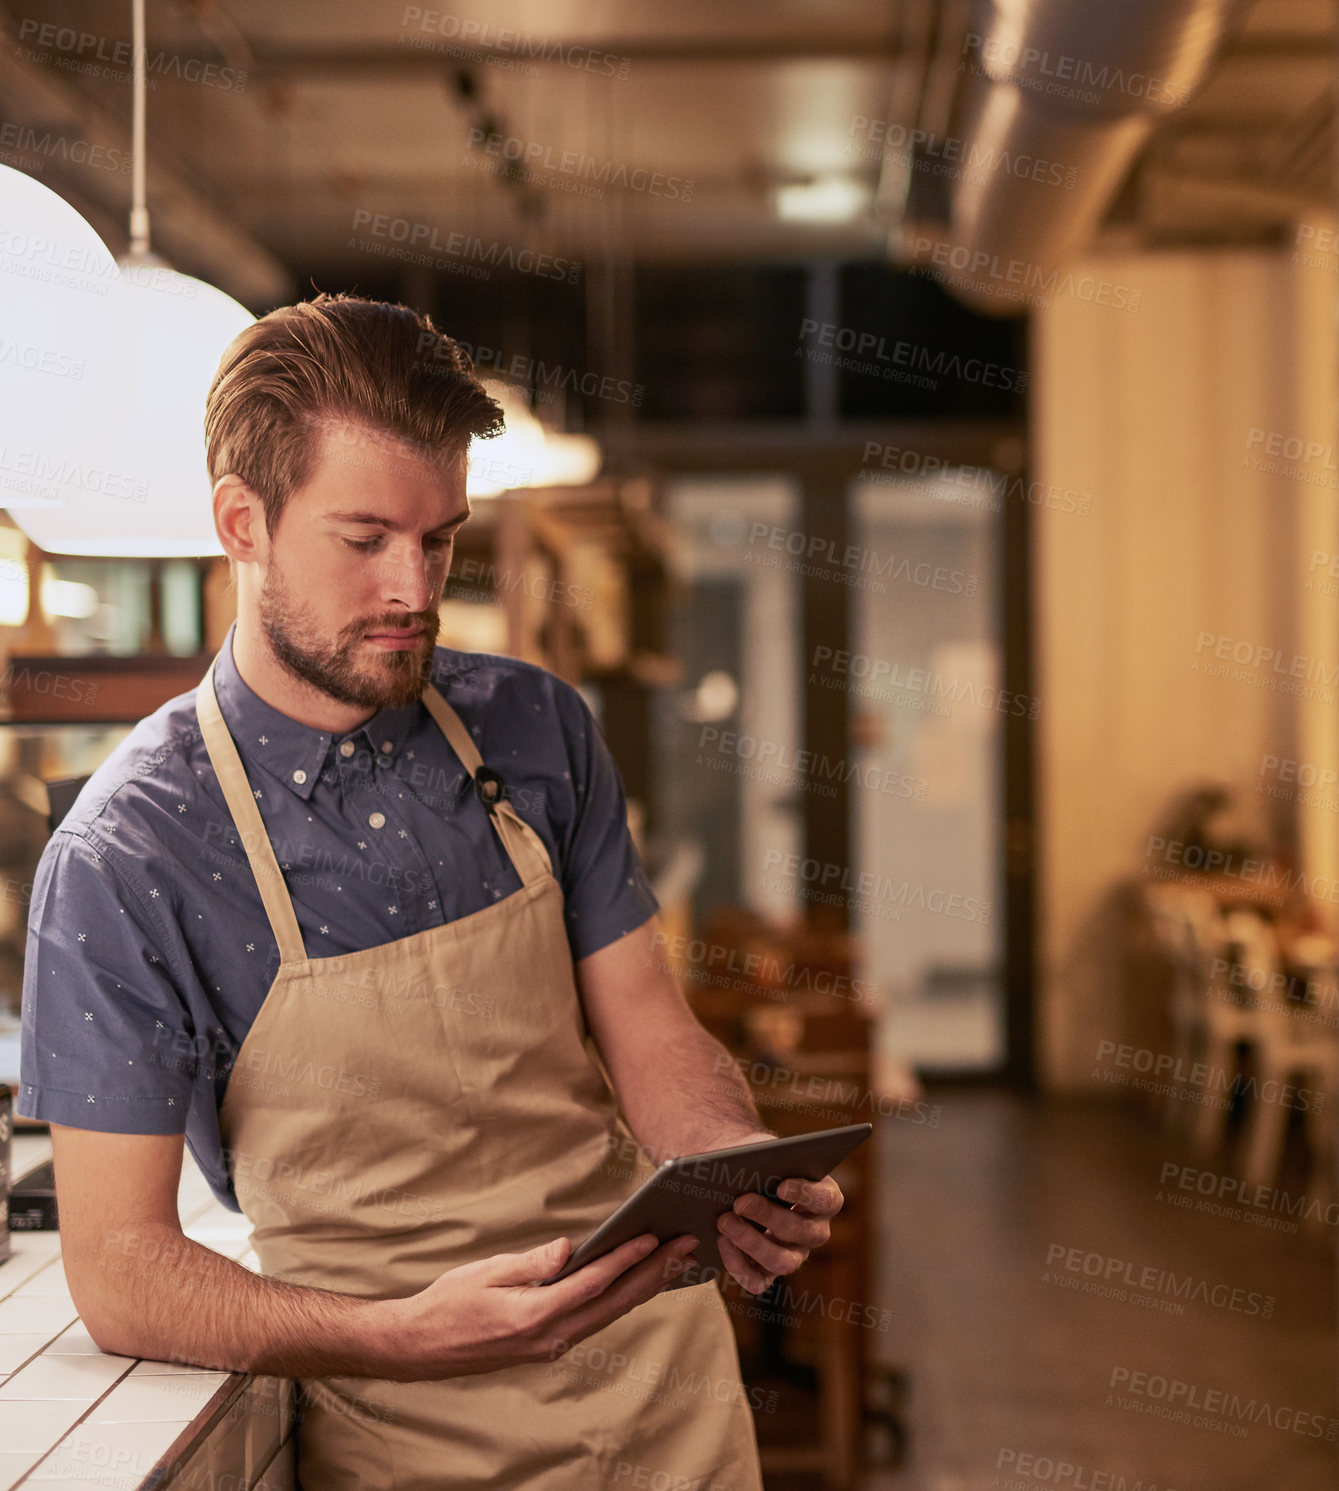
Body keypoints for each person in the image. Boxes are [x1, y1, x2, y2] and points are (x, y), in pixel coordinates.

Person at [18, 293, 845, 1488]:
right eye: (364, 541)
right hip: (417, 1430)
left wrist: (730, 1162)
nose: (415, 589)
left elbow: (651, 1030)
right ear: (240, 524)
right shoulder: (126, 857)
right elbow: (120, 1269)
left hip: (670, 1401)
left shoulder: (536, 724)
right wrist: (394, 1335)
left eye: (441, 538)